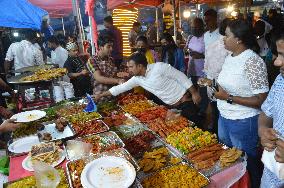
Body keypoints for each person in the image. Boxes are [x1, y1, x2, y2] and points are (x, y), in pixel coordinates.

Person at [214, 19, 269, 188]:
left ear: (238, 39)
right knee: (230, 161)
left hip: (244, 122)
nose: (223, 38)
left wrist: (228, 97)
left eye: (227, 35)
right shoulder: (230, 57)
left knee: (247, 164)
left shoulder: (253, 61)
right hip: (224, 117)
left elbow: (262, 100)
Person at [94, 53, 202, 125]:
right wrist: (101, 95)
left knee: (196, 126)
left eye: (131, 67)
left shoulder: (159, 67)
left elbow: (181, 77)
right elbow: (120, 88)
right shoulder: (137, 79)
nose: (129, 70)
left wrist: (194, 93)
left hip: (185, 101)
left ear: (140, 66)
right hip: (172, 106)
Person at [258, 29, 284, 188]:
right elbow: (266, 114)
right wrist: (263, 131)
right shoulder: (280, 80)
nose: (276, 62)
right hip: (272, 176)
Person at [202, 18, 231, 135]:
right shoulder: (231, 49)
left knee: (216, 115)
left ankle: (216, 137)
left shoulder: (211, 46)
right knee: (224, 117)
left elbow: (207, 68)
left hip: (212, 87)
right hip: (227, 90)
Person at [86, 34, 123, 101]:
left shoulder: (111, 59)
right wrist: (117, 81)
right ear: (101, 47)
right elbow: (99, 78)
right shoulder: (92, 60)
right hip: (100, 96)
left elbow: (114, 74)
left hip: (113, 94)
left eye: (112, 46)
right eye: (108, 46)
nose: (111, 49)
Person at [185, 18, 207, 121]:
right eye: (193, 27)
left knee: (203, 92)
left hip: (203, 71)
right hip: (192, 69)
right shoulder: (190, 37)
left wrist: (201, 55)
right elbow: (186, 48)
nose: (194, 29)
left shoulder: (206, 38)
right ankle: (195, 110)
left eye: (197, 27)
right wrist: (188, 50)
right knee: (193, 91)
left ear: (202, 27)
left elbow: (212, 55)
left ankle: (203, 112)